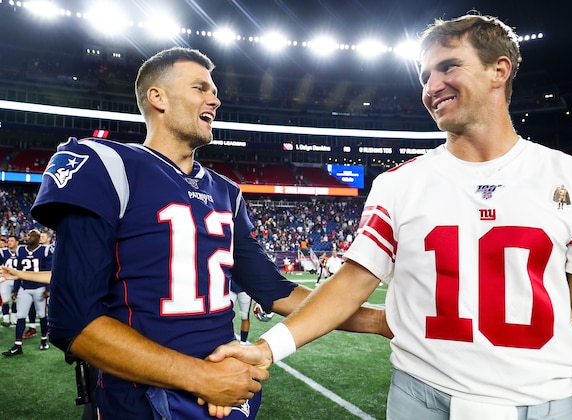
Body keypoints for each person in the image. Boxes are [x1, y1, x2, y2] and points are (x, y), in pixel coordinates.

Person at [211, 14, 572, 419]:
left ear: (499, 70)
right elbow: (352, 283)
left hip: (543, 405)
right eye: (425, 75)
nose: (432, 86)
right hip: (419, 399)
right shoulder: (397, 185)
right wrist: (267, 349)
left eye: (448, 66)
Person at [30, 47, 389, 419]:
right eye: (200, 88)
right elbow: (75, 320)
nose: (214, 99)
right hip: (142, 401)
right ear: (158, 97)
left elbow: (275, 290)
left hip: (225, 395)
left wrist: (377, 321)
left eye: (213, 90)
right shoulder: (106, 165)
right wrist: (200, 376)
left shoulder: (226, 192)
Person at [2, 229, 52, 356]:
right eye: (28, 235)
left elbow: (49, 270)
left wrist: (48, 289)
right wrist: (16, 289)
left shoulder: (44, 250)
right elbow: (18, 271)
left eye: (32, 235)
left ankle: (44, 340)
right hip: (24, 287)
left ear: (38, 237)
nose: (29, 237)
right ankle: (17, 345)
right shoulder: (21, 250)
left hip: (39, 288)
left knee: (42, 315)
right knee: (21, 316)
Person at [0, 234, 19, 327]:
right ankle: (6, 319)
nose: (9, 242)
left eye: (12, 241)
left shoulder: (21, 251)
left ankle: (14, 317)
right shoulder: (3, 251)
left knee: (16, 299)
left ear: (17, 242)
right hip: (6, 279)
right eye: (8, 241)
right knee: (5, 300)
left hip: (17, 278)